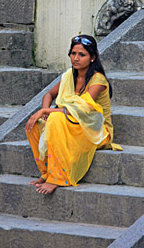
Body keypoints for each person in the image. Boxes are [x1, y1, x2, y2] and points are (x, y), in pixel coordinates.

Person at [25, 34, 122, 194]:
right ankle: (47, 172)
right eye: (73, 53)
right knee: (36, 124)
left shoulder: (98, 80)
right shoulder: (70, 75)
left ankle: (58, 177)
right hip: (73, 123)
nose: (76, 58)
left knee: (56, 118)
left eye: (82, 55)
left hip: (97, 131)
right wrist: (44, 113)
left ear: (92, 58)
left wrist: (46, 111)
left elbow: (79, 110)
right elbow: (48, 94)